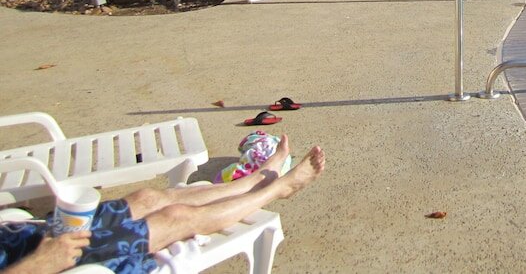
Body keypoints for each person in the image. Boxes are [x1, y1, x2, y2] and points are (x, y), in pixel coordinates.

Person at [0, 136, 324, 273]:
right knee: (175, 217)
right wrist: (43, 262)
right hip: (50, 263)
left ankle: (254, 181)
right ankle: (279, 187)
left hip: (22, 238)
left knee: (147, 199)